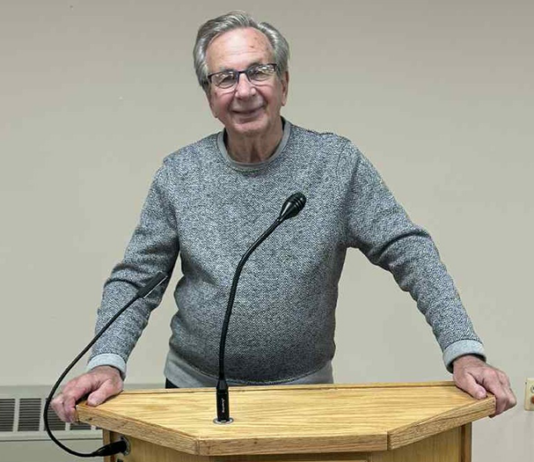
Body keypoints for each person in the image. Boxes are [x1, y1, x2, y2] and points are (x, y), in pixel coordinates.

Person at [52, 11, 516, 423]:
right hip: (195, 396)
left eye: (259, 71)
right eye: (225, 78)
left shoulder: (336, 164)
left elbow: (411, 253)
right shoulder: (180, 174)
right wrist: (107, 361)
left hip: (305, 397)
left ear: (285, 84)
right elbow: (137, 279)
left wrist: (463, 351)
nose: (244, 91)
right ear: (210, 97)